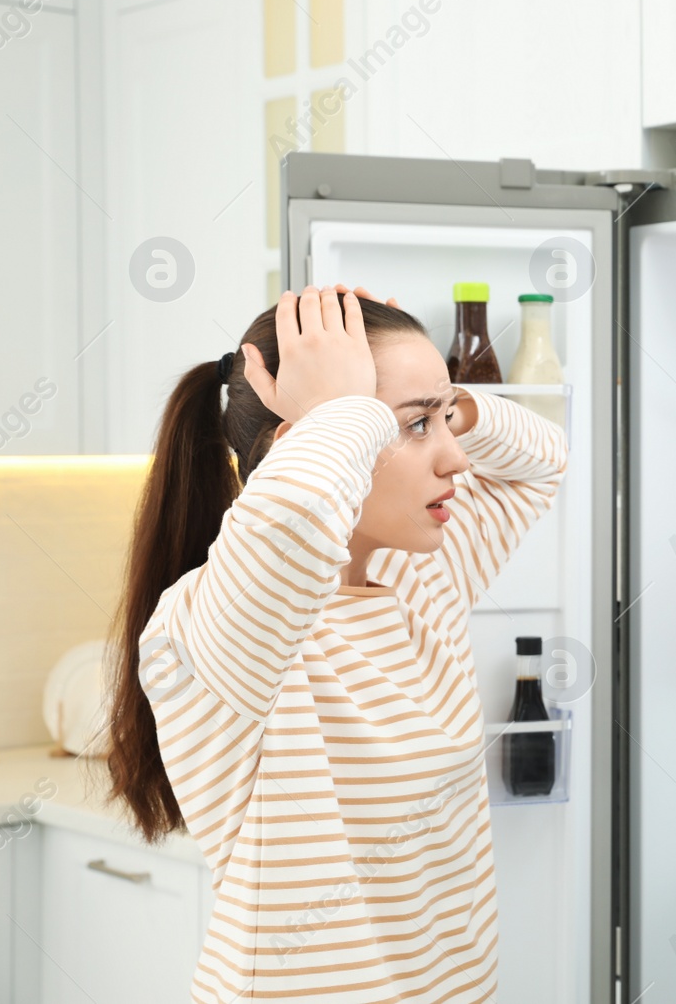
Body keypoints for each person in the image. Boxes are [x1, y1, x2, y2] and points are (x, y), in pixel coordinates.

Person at [104, 284, 566, 1002]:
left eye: (447, 422)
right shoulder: (216, 625)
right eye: (416, 427)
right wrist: (342, 412)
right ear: (313, 443)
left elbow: (543, 459)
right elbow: (289, 520)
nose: (457, 458)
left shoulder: (423, 580)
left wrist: (446, 400)